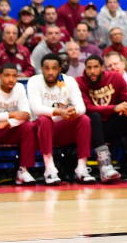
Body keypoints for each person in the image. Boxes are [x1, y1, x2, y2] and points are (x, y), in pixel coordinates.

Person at [77, 54, 127, 181]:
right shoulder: (79, 82)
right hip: (91, 130)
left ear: (102, 68)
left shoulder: (115, 78)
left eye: (96, 67)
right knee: (94, 116)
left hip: (111, 125)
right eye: (89, 68)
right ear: (85, 69)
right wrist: (114, 108)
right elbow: (87, 107)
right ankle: (105, 166)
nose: (92, 71)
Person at [27, 54, 96, 185]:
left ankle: (81, 169)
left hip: (62, 128)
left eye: (54, 68)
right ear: (41, 69)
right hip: (39, 131)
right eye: (46, 68)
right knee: (44, 119)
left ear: (59, 69)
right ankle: (50, 169)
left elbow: (81, 107)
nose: (50, 72)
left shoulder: (69, 81)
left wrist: (73, 111)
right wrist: (59, 111)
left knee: (84, 119)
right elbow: (36, 109)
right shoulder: (34, 81)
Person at [0, 63, 37, 186]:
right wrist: (10, 115)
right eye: (7, 75)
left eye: (14, 76)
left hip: (9, 128)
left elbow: (26, 114)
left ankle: (23, 171)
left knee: (29, 127)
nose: (11, 79)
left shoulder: (19, 88)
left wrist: (7, 123)